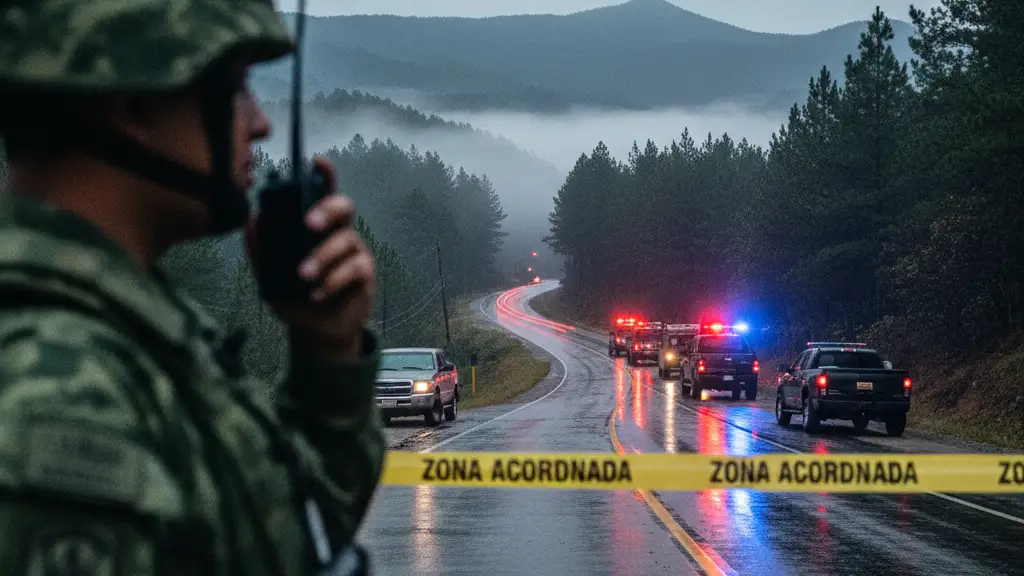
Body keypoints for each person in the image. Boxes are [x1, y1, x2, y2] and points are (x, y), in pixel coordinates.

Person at [0, 0, 385, 574]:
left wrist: (325, 353)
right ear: (133, 101)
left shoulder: (134, 336)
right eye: (234, 89)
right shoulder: (60, 401)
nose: (260, 123)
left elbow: (292, 541)